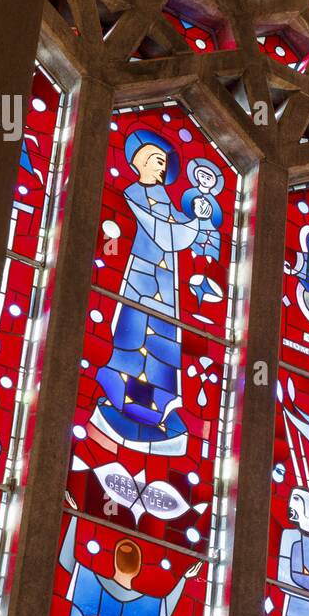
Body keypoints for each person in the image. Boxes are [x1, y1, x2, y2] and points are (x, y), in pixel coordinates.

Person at [92, 128, 220, 455]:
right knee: (132, 343)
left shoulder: (165, 199)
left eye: (163, 162)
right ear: (137, 163)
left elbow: (180, 231)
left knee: (163, 349)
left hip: (166, 291)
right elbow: (166, 236)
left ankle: (156, 415)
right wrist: (192, 223)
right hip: (140, 284)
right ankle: (120, 404)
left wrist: (198, 217)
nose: (160, 167)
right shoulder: (134, 194)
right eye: (154, 160)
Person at [58, 516, 201, 616]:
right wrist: (183, 579)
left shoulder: (87, 580)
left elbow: (67, 560)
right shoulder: (151, 606)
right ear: (138, 568)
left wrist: (75, 517)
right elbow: (166, 609)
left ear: (114, 561)